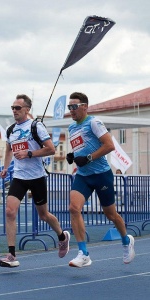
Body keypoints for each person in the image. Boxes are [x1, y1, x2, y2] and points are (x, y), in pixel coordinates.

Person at [0, 94, 70, 268]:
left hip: (37, 177)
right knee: (9, 211)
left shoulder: (36, 126)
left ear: (27, 110)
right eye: (12, 108)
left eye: (18, 108)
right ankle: (12, 255)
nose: (14, 111)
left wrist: (29, 153)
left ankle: (62, 236)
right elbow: (8, 149)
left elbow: (51, 149)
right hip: (19, 177)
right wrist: (6, 167)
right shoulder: (11, 130)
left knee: (43, 215)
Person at [66, 92, 135, 268]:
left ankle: (126, 240)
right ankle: (84, 253)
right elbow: (81, 148)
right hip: (83, 175)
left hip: (101, 175)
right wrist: (73, 156)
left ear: (84, 106)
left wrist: (88, 158)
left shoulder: (94, 123)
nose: (71, 110)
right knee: (74, 208)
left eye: (74, 107)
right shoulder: (72, 128)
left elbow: (109, 145)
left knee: (110, 214)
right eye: (69, 107)